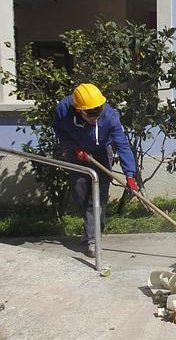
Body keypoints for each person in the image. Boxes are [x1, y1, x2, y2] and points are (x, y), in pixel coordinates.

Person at [53, 83, 138, 257]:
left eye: (97, 111)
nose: (95, 117)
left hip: (101, 152)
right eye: (90, 114)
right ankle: (91, 231)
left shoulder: (109, 115)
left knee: (98, 197)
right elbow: (59, 130)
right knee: (81, 194)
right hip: (78, 153)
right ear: (78, 110)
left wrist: (130, 175)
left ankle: (94, 238)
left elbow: (122, 144)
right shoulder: (63, 109)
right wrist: (74, 148)